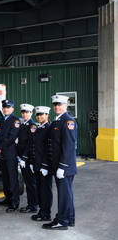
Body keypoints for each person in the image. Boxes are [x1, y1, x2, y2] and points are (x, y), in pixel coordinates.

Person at [43, 95, 77, 230]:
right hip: (57, 165)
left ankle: (61, 221)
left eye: (60, 104)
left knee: (64, 194)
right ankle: (70, 218)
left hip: (64, 167)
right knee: (66, 193)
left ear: (66, 106)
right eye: (55, 104)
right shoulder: (57, 121)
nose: (57, 107)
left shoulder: (68, 121)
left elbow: (69, 146)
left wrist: (62, 166)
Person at [0, 100, 21, 213]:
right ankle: (8, 198)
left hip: (10, 154)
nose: (6, 109)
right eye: (4, 107)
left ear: (12, 109)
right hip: (2, 154)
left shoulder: (15, 121)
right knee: (5, 179)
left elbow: (11, 138)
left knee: (13, 179)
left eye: (8, 107)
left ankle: (15, 202)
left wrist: (0, 147)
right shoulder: (2, 120)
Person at [30, 106, 53, 222]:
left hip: (44, 165)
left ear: (47, 115)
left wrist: (45, 165)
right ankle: (42, 210)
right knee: (40, 189)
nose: (39, 117)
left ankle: (46, 213)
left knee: (45, 190)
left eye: (42, 114)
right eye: (37, 115)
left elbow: (47, 149)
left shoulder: (48, 129)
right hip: (37, 165)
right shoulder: (39, 128)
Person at [17, 104, 38, 213]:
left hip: (28, 159)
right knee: (28, 183)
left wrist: (24, 158)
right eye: (23, 112)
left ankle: (33, 206)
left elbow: (30, 143)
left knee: (31, 183)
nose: (25, 114)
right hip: (23, 158)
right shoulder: (23, 125)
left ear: (31, 113)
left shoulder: (32, 126)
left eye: (27, 112)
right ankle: (31, 204)